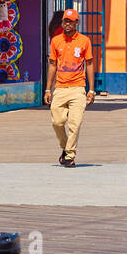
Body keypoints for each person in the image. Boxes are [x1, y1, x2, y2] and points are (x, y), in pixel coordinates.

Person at [45, 9, 95, 167]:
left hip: (78, 88)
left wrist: (91, 90)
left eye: (70, 21)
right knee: (57, 122)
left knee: (75, 123)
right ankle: (65, 148)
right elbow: (52, 65)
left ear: (76, 23)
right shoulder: (56, 41)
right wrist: (48, 89)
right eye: (65, 21)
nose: (67, 24)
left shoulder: (84, 41)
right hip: (60, 88)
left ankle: (70, 155)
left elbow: (89, 64)